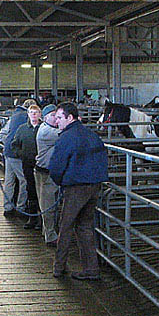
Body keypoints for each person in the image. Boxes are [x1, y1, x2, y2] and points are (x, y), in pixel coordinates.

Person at [48, 102, 108, 281]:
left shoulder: (66, 138)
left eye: (59, 118)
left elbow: (56, 167)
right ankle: (91, 268)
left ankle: (59, 267)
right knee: (85, 226)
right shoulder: (91, 135)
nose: (56, 121)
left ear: (70, 118)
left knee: (65, 226)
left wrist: (61, 182)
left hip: (75, 187)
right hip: (94, 186)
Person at [2, 99, 37, 218]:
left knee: (9, 181)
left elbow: (3, 133)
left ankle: (7, 207)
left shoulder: (14, 115)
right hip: (17, 153)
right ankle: (21, 207)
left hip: (7, 151)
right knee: (24, 180)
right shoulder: (26, 117)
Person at [11, 104, 42, 230]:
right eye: (31, 112)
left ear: (40, 114)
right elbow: (14, 145)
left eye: (36, 112)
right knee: (31, 189)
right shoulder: (22, 129)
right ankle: (32, 217)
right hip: (28, 164)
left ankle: (42, 219)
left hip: (42, 166)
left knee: (43, 192)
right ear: (28, 114)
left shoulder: (44, 128)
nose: (33, 115)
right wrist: (21, 154)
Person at [34, 104, 61, 247]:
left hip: (46, 172)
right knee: (48, 206)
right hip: (45, 173)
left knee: (48, 204)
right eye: (53, 116)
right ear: (45, 118)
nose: (56, 119)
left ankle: (47, 232)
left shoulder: (47, 128)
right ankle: (50, 236)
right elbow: (65, 134)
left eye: (57, 116)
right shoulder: (47, 132)